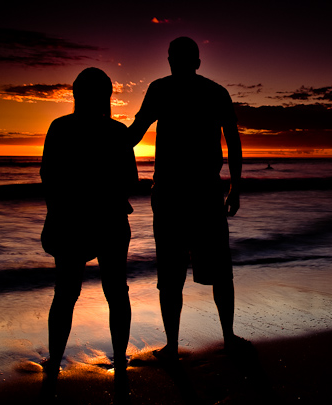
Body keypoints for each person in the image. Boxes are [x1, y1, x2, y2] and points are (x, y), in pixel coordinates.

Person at [127, 36, 247, 361]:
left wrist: (103, 141)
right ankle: (226, 338)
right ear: (196, 62)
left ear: (190, 61)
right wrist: (235, 186)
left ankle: (175, 345)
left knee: (175, 272)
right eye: (172, 57)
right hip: (196, 192)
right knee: (210, 270)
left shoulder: (164, 89)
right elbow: (233, 142)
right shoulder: (212, 92)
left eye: (175, 57)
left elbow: (134, 133)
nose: (173, 62)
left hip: (178, 193)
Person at [40, 67, 138, 378]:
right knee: (116, 292)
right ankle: (120, 360)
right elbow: (131, 180)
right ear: (107, 97)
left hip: (70, 221)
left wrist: (54, 214)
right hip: (111, 220)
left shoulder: (60, 128)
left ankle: (55, 361)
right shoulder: (118, 132)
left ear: (76, 94)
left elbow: (48, 177)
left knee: (65, 294)